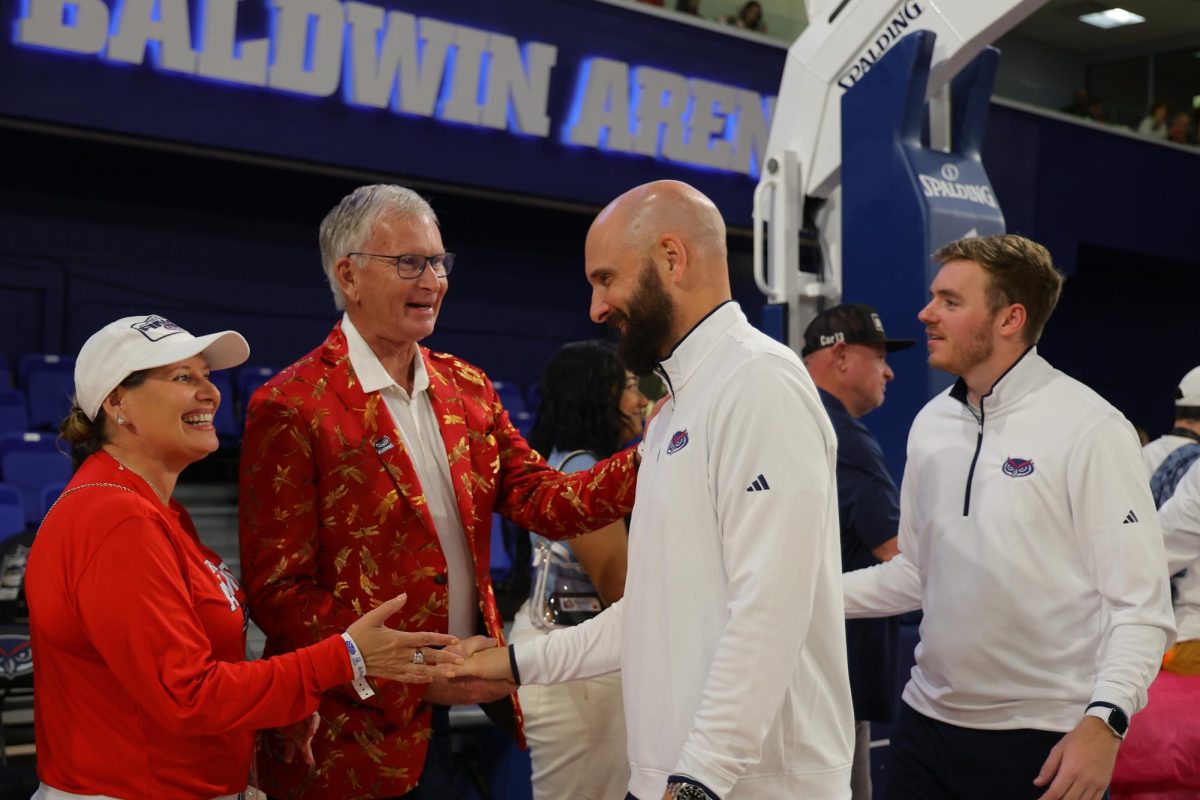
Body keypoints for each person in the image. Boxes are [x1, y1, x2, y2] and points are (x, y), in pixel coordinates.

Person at [238, 184, 640, 799]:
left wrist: (662, 451)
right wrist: (417, 674)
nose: (434, 279)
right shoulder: (291, 406)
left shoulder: (467, 387)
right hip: (349, 731)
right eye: (411, 263)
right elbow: (279, 594)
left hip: (455, 704)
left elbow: (548, 502)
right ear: (349, 276)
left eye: (438, 261)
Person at [456, 180, 855, 800]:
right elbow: (652, 613)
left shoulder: (759, 384)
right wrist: (510, 666)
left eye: (605, 278)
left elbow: (769, 608)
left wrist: (700, 777)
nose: (596, 307)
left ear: (672, 258)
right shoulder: (672, 409)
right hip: (678, 774)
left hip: (749, 784)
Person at [25, 314, 462, 800]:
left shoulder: (153, 510)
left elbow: (187, 675)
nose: (210, 392)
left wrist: (269, 714)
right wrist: (346, 656)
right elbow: (186, 697)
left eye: (207, 377)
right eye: (182, 377)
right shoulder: (115, 519)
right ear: (117, 402)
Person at [842, 234, 1176, 800]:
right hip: (923, 727)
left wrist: (1107, 722)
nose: (926, 313)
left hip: (1041, 744)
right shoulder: (931, 425)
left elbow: (1140, 609)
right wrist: (803, 592)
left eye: (950, 301)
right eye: (934, 297)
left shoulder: (1092, 429)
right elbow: (916, 574)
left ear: (1010, 318)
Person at [509, 340, 648, 800]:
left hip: (574, 664)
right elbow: (620, 585)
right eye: (630, 387)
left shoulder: (565, 464)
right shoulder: (583, 474)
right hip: (578, 672)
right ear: (598, 394)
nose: (642, 399)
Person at [801, 303, 913, 800]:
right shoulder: (843, 435)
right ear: (841, 356)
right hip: (835, 678)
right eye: (880, 356)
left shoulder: (787, 418)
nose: (889, 370)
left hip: (793, 669)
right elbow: (898, 553)